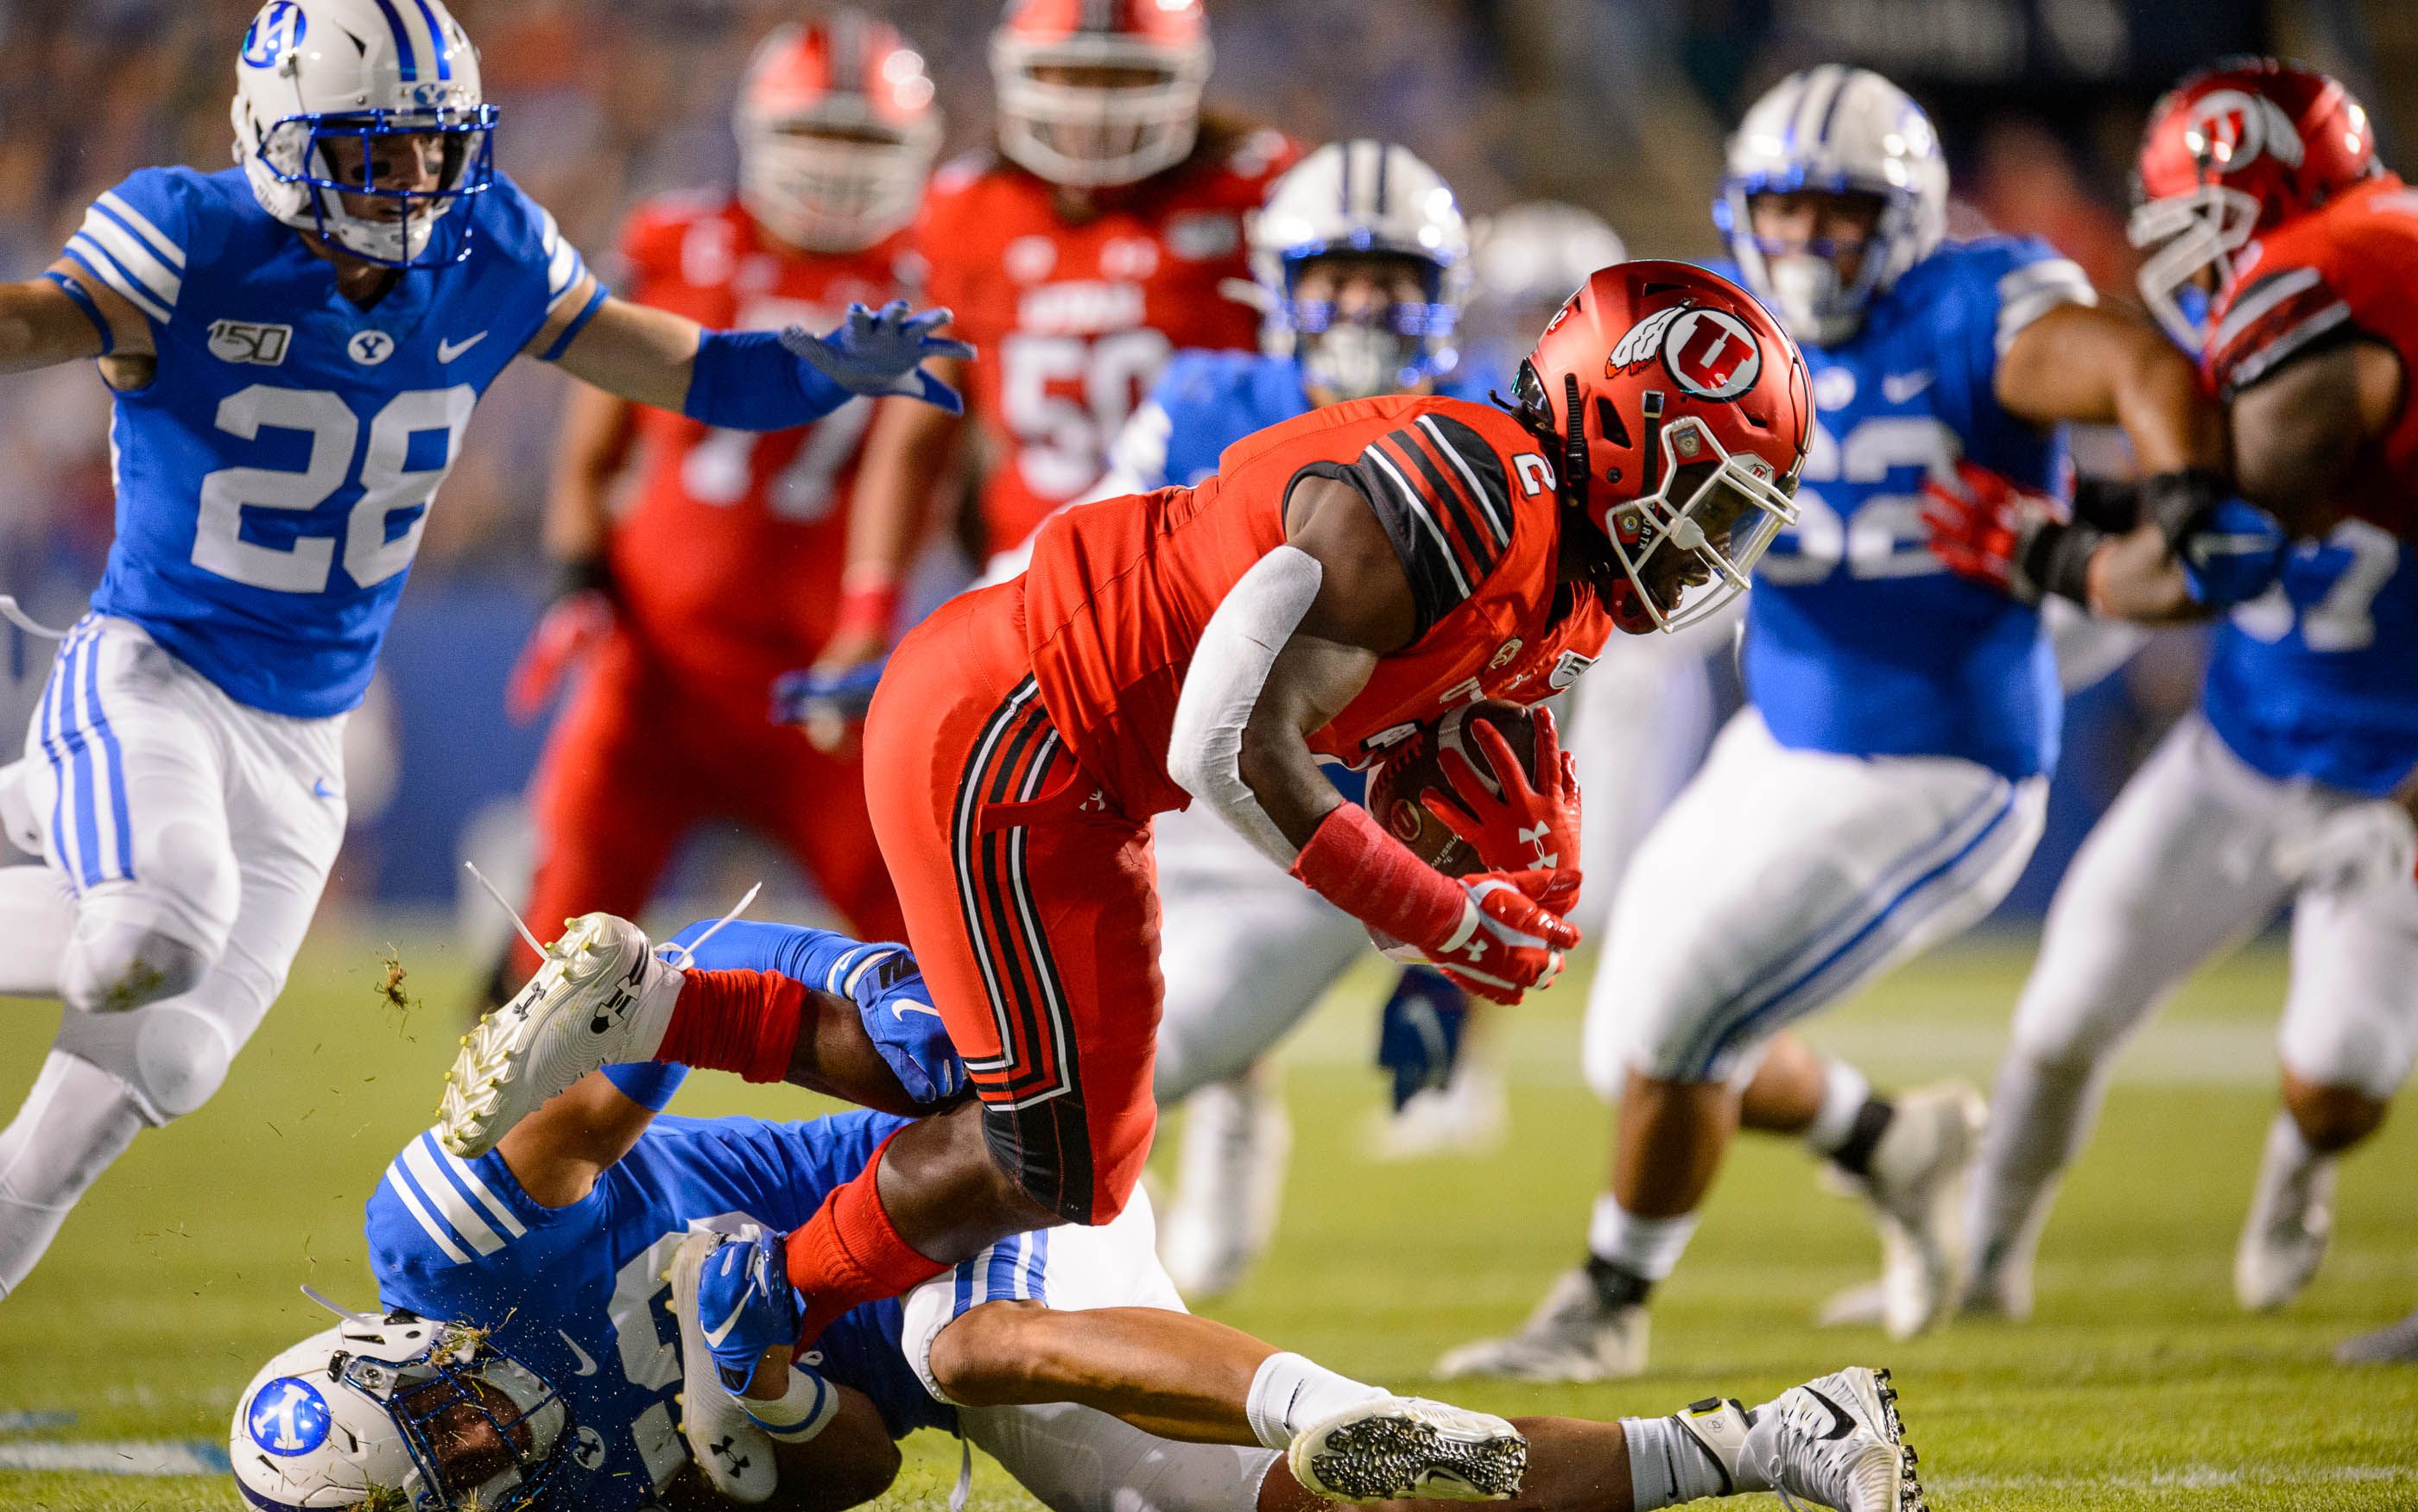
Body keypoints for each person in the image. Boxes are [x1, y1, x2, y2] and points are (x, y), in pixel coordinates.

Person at [436, 261, 1814, 1388]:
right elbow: (1229, 746)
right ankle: (754, 1316)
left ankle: (664, 1016)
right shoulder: (1462, 497)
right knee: (1040, 1153)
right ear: (1619, 427)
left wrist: (1491, 860)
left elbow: (1422, 731)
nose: (1707, 548)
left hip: (1084, 772)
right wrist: (1432, 914)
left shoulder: (1551, 570)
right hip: (1021, 726)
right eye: (1706, 498)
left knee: (1072, 1151)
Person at [0, 0, 969, 1301]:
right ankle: (45, 810)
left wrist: (818, 366)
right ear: (276, 137)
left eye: (434, 149)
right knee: (150, 934)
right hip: (154, 676)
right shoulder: (190, 229)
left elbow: (682, 370)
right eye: (372, 152)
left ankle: (29, 820)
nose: (412, 183)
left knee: (161, 1068)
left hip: (307, 740)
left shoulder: (491, 244)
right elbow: (36, 324)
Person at [230, 918, 1926, 1512]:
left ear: (405, 1352)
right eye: (433, 1487)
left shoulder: (447, 1244)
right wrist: (757, 1408)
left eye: (436, 1425)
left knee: (978, 1333)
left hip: (961, 1161)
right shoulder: (554, 1505)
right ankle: (1758, 1438)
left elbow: (632, 1048)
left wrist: (622, 1030)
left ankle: (1312, 1395)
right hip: (909, 1345)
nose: (475, 1451)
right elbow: (863, 1471)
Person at [1438, 66, 2234, 1383]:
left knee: (1686, 1024)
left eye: (1840, 211)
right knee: (1626, 1038)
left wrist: (2187, 482)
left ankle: (1607, 1304)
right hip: (1787, 740)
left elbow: (2136, 363)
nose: (1808, 241)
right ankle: (1890, 1142)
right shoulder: (1715, 328)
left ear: (1909, 217)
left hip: (1945, 764)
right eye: (1784, 210)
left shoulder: (1975, 310)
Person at [1927, 60, 2418, 1344]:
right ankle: (1981, 1268)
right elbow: (2219, 508)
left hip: (2395, 789)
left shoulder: (2345, 279)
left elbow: (2211, 547)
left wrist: (2043, 549)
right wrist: (2088, 521)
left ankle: (2298, 1168)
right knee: (2067, 1003)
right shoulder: (2289, 314)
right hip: (2244, 745)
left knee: (2343, 1088)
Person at [1076, 138, 1495, 1298]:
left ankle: (1098, 1301)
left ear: (1442, 294)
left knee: (1121, 1072)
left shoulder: (1476, 448)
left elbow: (1519, 707)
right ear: (1279, 287)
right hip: (1162, 794)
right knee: (1042, 1044)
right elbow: (1091, 558)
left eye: (1392, 279)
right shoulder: (1204, 399)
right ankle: (1205, 1146)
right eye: (1335, 278)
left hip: (1316, 836)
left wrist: (1437, 962)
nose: (1361, 305)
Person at [482, 12, 941, 1008]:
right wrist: (578, 578)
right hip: (658, 672)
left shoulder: (936, 273)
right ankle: (493, 1161)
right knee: (542, 984)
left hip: (822, 694)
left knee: (948, 974)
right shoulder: (684, 243)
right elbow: (594, 444)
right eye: (818, 133)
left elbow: (945, 466)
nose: (839, 165)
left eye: (864, 140)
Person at [802, 0, 1297, 688]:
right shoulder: (967, 211)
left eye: (1120, 80)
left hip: (1222, 592)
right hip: (1036, 598)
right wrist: (866, 617)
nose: (1094, 110)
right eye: (1069, 76)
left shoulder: (1256, 195)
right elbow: (915, 438)